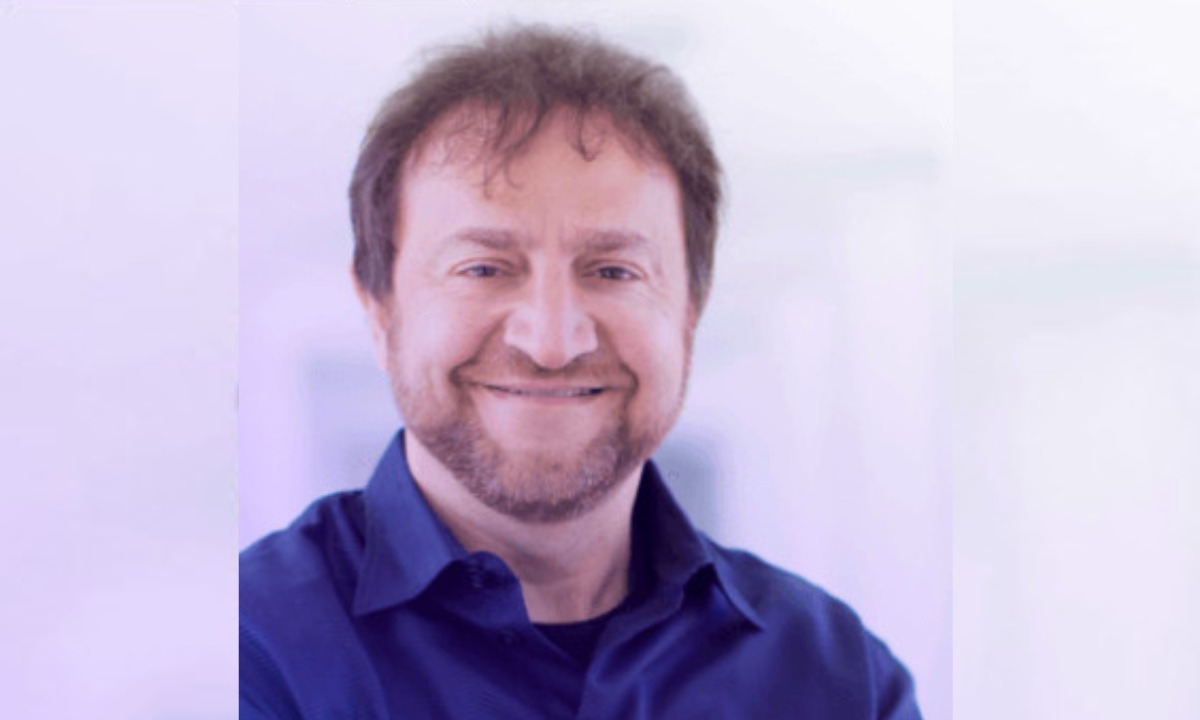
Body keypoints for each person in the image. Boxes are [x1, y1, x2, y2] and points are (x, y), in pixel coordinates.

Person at [240, 25, 922, 719]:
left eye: (613, 271)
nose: (552, 342)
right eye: (484, 268)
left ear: (691, 311)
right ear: (379, 308)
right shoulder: (252, 653)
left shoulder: (839, 677)